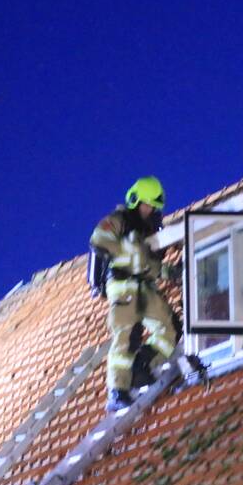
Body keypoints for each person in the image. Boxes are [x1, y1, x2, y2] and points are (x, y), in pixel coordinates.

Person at [90, 176, 183, 411]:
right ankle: (117, 391)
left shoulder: (149, 231)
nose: (149, 209)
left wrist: (170, 271)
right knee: (127, 336)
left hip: (145, 286)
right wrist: (131, 255)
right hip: (123, 285)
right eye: (146, 204)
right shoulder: (119, 220)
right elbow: (99, 240)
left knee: (171, 327)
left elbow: (150, 264)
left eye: (153, 206)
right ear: (135, 201)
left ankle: (140, 367)